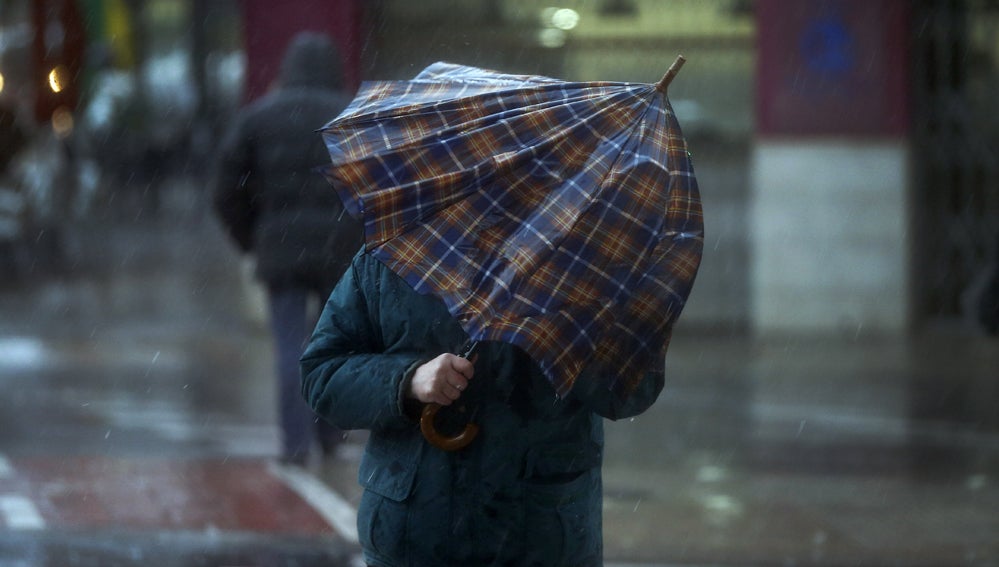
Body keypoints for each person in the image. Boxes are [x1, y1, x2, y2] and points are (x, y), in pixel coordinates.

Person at [300, 251, 665, 566]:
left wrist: (572, 336)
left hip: (544, 535)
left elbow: (633, 389)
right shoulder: (395, 250)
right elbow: (323, 373)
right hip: (414, 534)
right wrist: (408, 380)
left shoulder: (591, 262)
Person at [211, 31, 362, 465]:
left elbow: (225, 191)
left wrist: (251, 239)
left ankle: (295, 444)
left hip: (280, 250)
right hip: (341, 253)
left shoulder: (257, 119)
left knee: (289, 347)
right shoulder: (353, 117)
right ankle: (330, 432)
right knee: (337, 344)